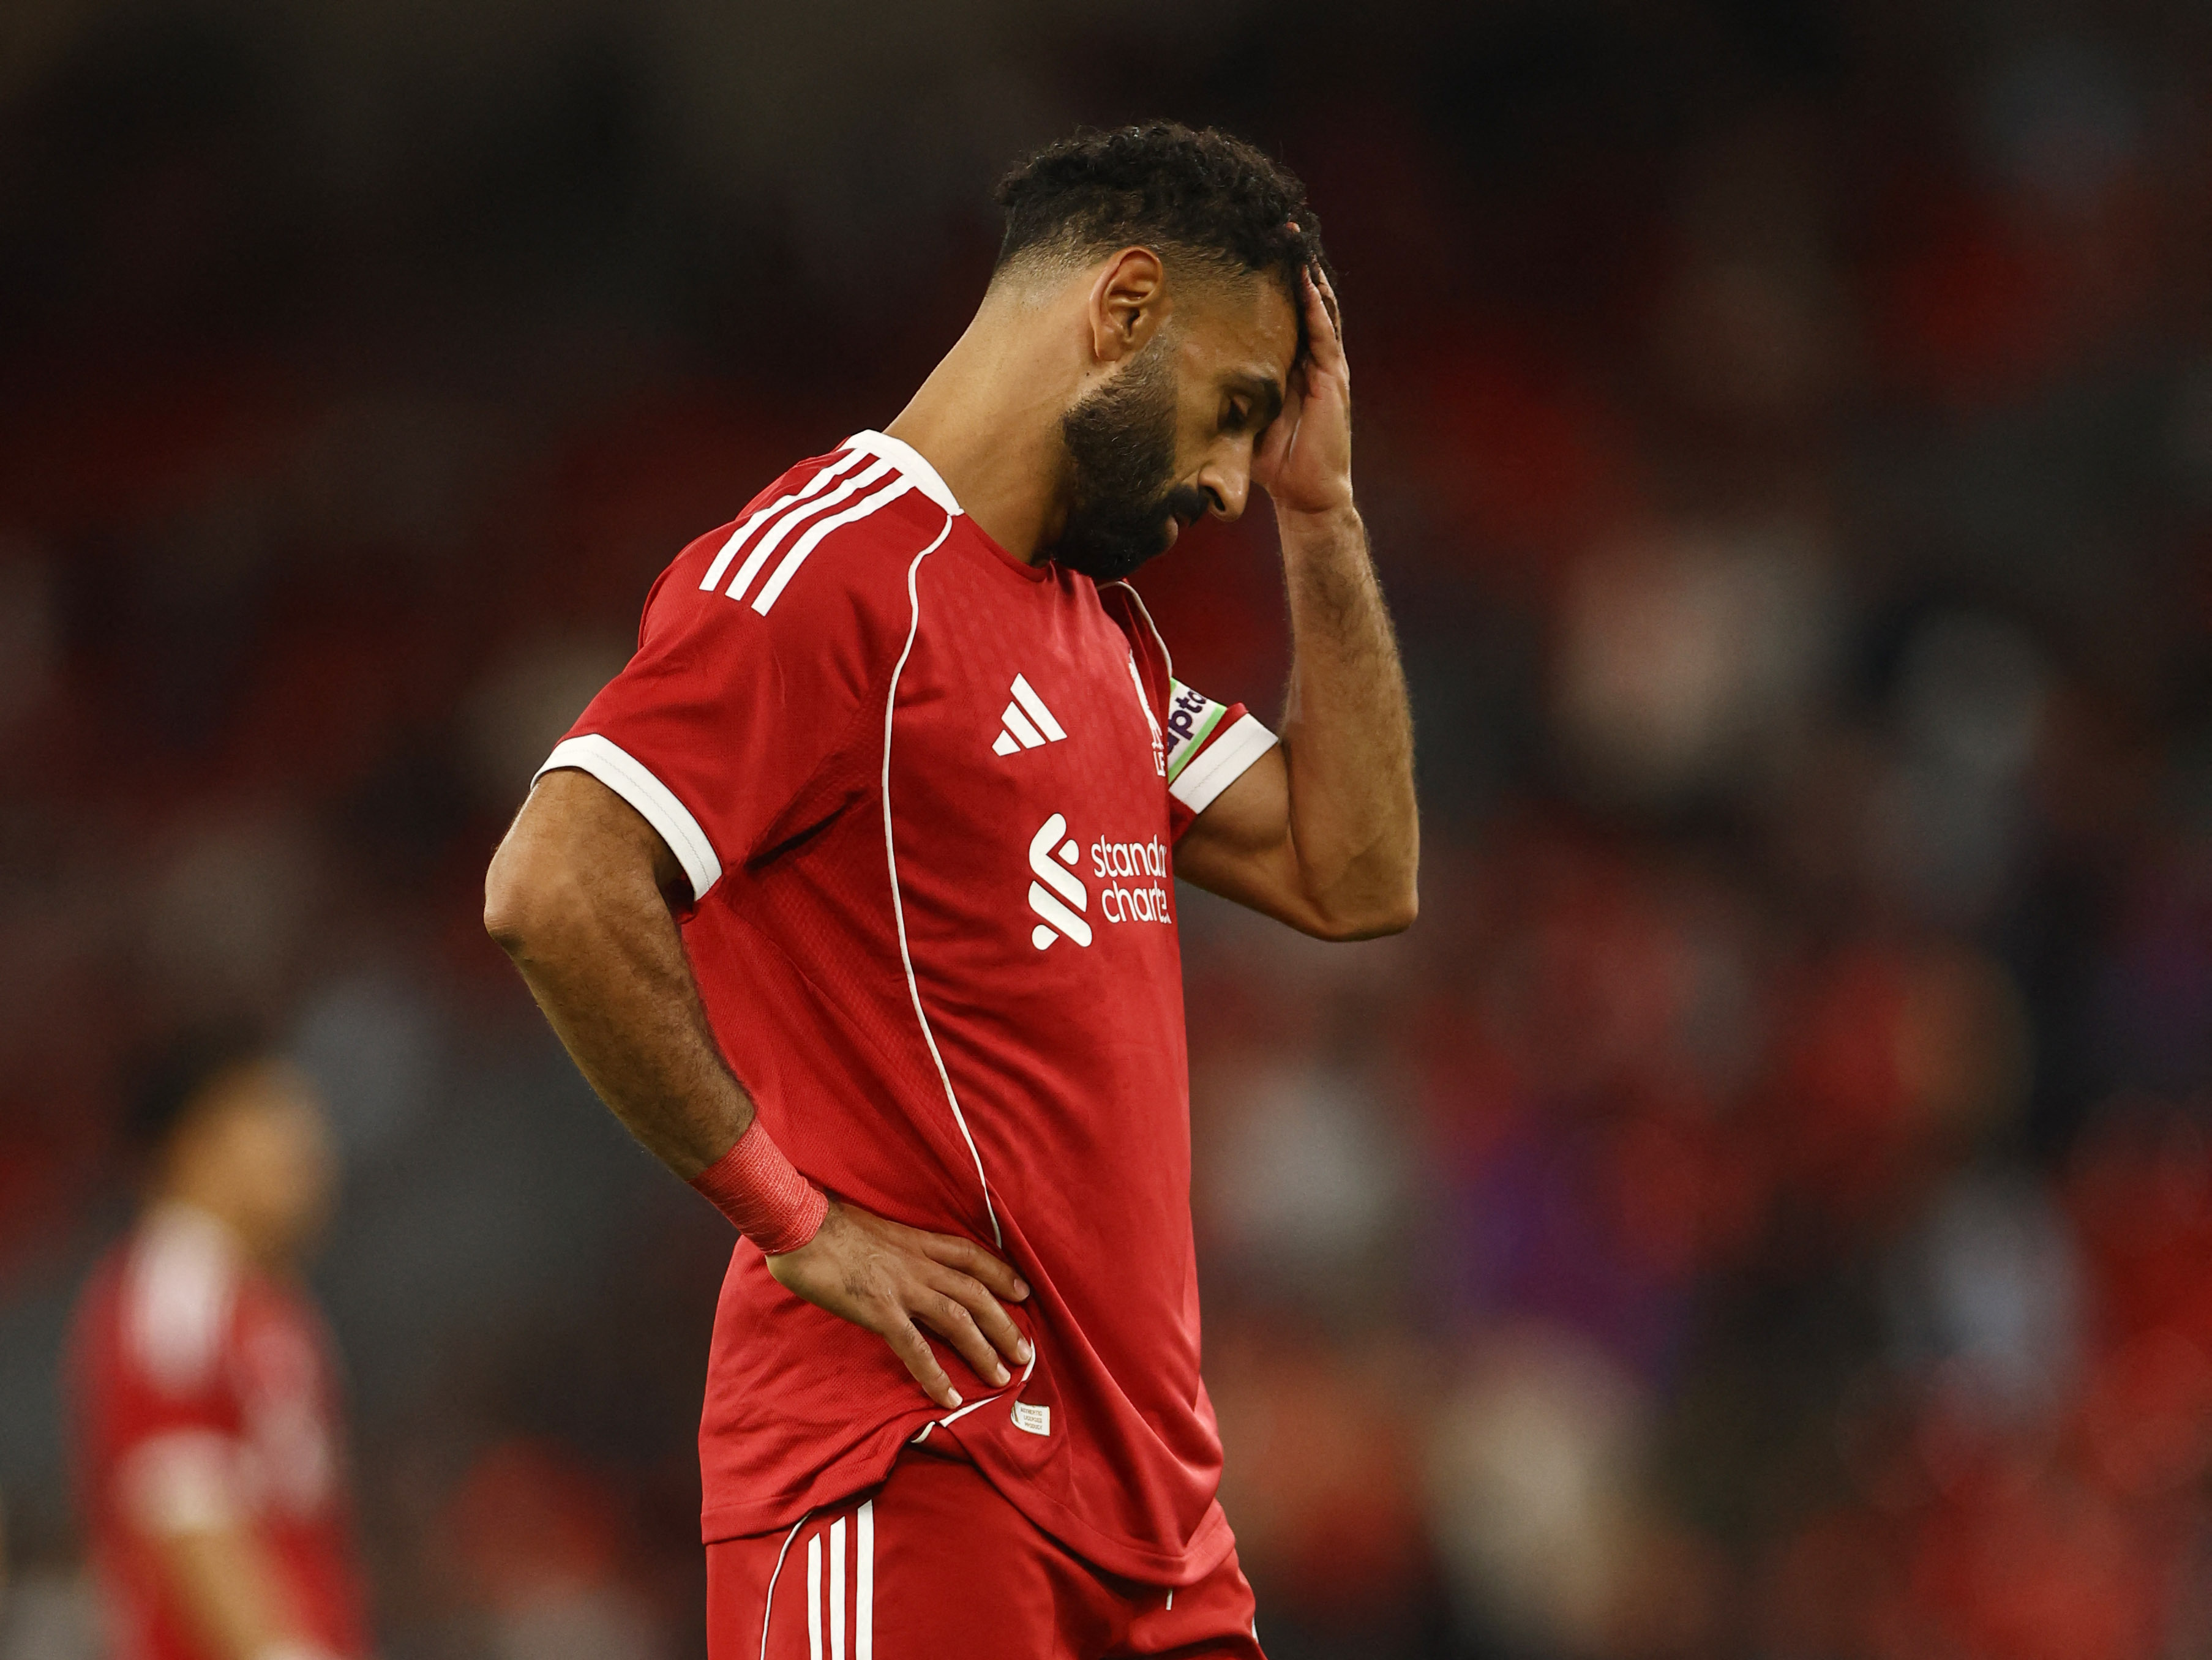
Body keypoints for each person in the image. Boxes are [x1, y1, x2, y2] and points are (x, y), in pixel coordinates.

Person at [484, 120, 1417, 1659]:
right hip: (912, 1464)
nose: (1236, 482)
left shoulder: (1103, 635)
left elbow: (1355, 870)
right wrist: (792, 1218)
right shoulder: (829, 570)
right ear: (1123, 310)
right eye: (1237, 411)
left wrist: (1328, 514)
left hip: (1157, 1529)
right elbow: (556, 879)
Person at [66, 1035, 367, 1660]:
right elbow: (184, 1506)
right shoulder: (174, 1291)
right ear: (192, 1146)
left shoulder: (264, 1300)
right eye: (268, 1115)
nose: (304, 1144)